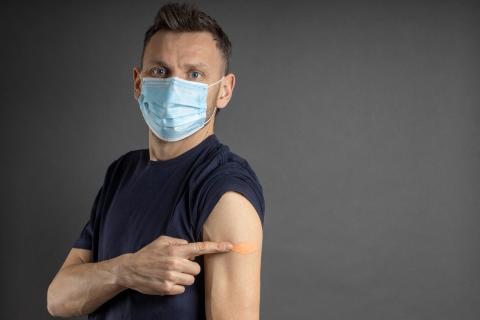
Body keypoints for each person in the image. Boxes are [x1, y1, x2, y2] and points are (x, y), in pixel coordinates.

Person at [46, 2, 265, 319]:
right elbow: (59, 299)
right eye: (160, 71)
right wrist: (127, 270)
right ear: (138, 82)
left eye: (195, 74)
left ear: (225, 91)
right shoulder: (122, 173)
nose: (175, 85)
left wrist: (110, 273)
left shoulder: (224, 191)